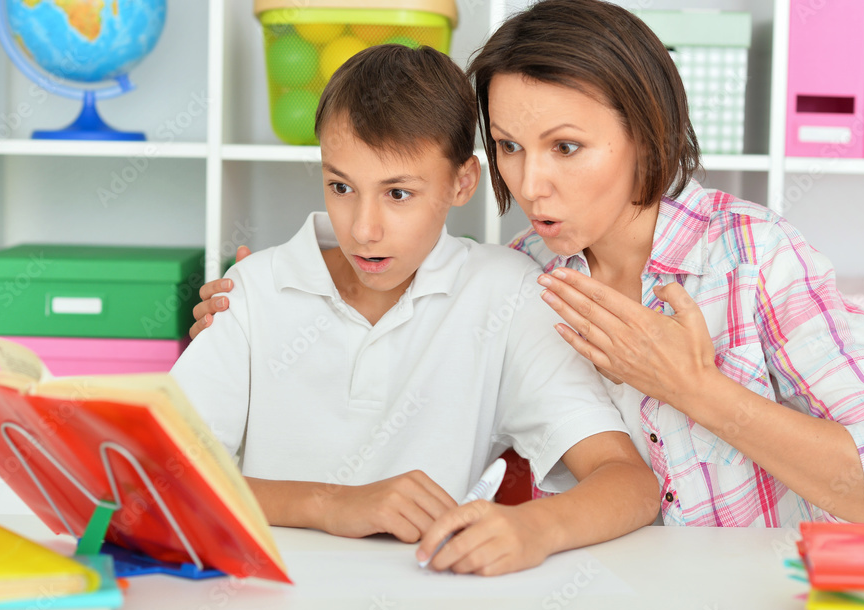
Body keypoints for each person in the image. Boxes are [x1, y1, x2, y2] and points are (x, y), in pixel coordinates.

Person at [193, 0, 864, 529]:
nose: (530, 184)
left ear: (645, 132)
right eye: (510, 146)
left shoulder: (755, 257)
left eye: (565, 147)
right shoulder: (524, 276)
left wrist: (695, 388)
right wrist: (260, 305)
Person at [170, 43, 660, 577]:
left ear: (462, 182)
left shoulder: (507, 294)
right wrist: (331, 502)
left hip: (425, 606)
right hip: (256, 599)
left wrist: (533, 528)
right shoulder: (250, 290)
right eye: (341, 186)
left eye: (398, 193)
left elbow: (629, 482)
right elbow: (161, 479)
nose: (363, 228)